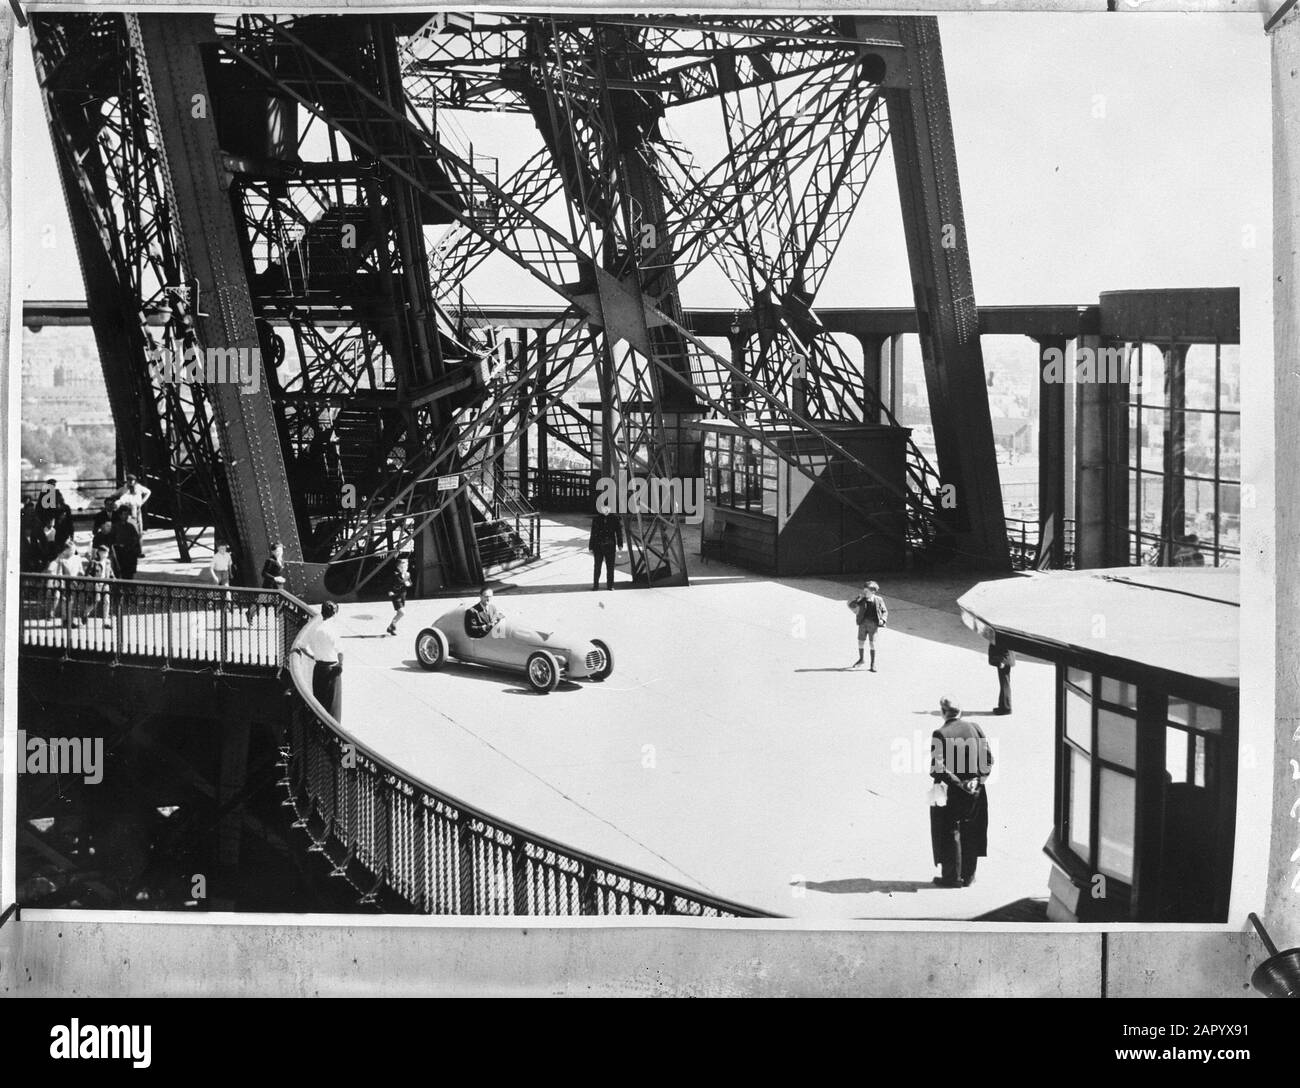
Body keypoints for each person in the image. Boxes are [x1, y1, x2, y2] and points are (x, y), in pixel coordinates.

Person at [930, 696, 993, 888]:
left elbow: (936, 768)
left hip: (952, 791)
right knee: (972, 829)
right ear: (960, 711)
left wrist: (960, 784)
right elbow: (988, 759)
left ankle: (951, 877)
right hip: (976, 791)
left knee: (949, 831)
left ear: (943, 712)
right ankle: (969, 875)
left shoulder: (940, 733)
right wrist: (977, 780)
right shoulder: (975, 727)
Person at [295, 600, 343, 721]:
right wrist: (341, 664)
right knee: (332, 706)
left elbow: (302, 645)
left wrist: (313, 656)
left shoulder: (315, 628)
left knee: (319, 701)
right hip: (332, 668)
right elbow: (340, 651)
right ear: (333, 613)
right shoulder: (332, 629)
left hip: (319, 668)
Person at [847, 580, 888, 670]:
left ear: (873, 591)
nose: (864, 592)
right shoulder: (862, 599)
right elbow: (852, 605)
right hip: (862, 623)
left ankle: (873, 663)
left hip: (873, 624)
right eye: (864, 590)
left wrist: (882, 620)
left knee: (872, 643)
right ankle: (861, 659)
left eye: (866, 591)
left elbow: (884, 611)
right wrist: (858, 600)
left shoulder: (879, 600)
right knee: (860, 641)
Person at [247, 542, 286, 625]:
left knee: (280, 602)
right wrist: (275, 578)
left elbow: (278, 573)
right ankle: (249, 613)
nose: (279, 552)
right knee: (261, 602)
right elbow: (264, 573)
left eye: (280, 550)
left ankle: (279, 618)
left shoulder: (281, 561)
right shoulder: (270, 561)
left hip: (278, 586)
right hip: (269, 586)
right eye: (277, 551)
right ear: (273, 552)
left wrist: (281, 578)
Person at [589, 499, 624, 591]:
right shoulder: (596, 519)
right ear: (601, 508)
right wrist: (591, 546)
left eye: (608, 508)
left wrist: (620, 544)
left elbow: (619, 533)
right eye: (604, 508)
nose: (606, 509)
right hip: (598, 546)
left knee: (610, 567)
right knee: (597, 567)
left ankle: (610, 585)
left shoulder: (615, 519)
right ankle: (595, 585)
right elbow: (593, 533)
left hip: (610, 546)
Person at [83, 543, 115, 625]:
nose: (106, 555)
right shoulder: (94, 562)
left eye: (107, 553)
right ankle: (85, 613)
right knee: (95, 601)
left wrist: (113, 578)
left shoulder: (108, 562)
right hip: (96, 585)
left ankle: (105, 621)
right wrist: (92, 580)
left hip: (105, 584)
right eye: (104, 553)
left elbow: (110, 571)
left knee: (107, 601)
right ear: (99, 553)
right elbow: (88, 573)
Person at [111, 506, 142, 581]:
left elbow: (136, 539)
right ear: (120, 515)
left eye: (127, 514)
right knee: (118, 574)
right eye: (124, 514)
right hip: (119, 554)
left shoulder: (131, 526)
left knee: (129, 575)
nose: (126, 516)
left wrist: (136, 550)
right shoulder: (115, 527)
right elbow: (111, 540)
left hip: (129, 554)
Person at [385, 554, 412, 637]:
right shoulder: (394, 575)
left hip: (403, 595)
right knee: (402, 612)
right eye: (403, 567)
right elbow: (388, 584)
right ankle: (392, 625)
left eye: (406, 566)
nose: (405, 568)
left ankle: (391, 628)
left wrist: (409, 584)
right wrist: (390, 591)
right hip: (396, 596)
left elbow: (410, 583)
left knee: (399, 613)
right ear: (398, 567)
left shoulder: (407, 574)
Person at [988, 637, 1015, 715]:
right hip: (1004, 658)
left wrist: (1003, 660)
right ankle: (1003, 706)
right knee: (1004, 683)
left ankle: (1006, 707)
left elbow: (1005, 645)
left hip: (1004, 659)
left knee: (1004, 684)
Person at [208, 543, 234, 612]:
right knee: (214, 587)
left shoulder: (228, 556)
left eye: (224, 549)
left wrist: (230, 573)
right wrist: (214, 577)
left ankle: (229, 604)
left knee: (227, 588)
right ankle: (210, 603)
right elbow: (211, 568)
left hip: (225, 573)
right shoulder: (216, 557)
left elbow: (229, 565)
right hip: (217, 572)